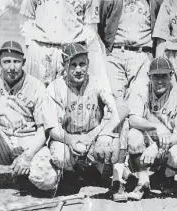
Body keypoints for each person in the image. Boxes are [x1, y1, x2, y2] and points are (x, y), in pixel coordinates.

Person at [0, 41, 60, 201]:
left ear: (23, 62)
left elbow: (44, 129)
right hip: (0, 141)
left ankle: (23, 176)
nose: (12, 67)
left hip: (27, 141)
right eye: (6, 61)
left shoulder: (36, 86)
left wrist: (28, 157)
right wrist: (4, 111)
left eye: (16, 61)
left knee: (48, 180)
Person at [110, 58, 177, 202]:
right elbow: (133, 118)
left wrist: (157, 147)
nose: (160, 81)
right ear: (149, 76)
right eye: (156, 76)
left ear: (171, 76)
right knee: (133, 136)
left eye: (164, 76)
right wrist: (157, 126)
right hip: (146, 145)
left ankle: (167, 177)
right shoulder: (141, 88)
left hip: (167, 144)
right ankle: (143, 181)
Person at [45, 43, 121, 182]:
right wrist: (70, 140)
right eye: (73, 64)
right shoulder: (55, 87)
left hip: (94, 135)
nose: (78, 69)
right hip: (68, 138)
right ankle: (70, 174)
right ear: (64, 65)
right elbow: (52, 128)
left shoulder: (98, 82)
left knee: (113, 141)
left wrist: (98, 134)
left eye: (82, 64)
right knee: (61, 156)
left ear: (88, 63)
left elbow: (117, 112)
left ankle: (101, 173)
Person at [98, 0, 164, 101]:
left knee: (139, 100)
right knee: (114, 100)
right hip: (116, 54)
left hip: (143, 55)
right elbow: (101, 28)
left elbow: (160, 33)